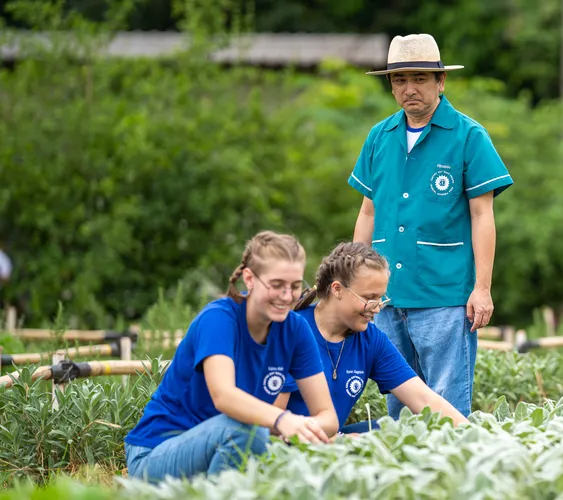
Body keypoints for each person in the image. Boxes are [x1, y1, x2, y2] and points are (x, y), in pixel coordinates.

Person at [349, 33, 513, 419]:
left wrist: (483, 288)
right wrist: (356, 280)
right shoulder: (379, 137)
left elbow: (482, 215)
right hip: (387, 296)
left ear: (441, 82)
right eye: (400, 80)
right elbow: (367, 214)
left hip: (445, 296)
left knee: (447, 408)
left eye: (420, 78)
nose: (410, 89)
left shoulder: (468, 136)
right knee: (398, 406)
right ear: (391, 86)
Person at [124, 231, 340, 483]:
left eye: (294, 286)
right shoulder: (219, 318)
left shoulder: (296, 329)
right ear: (249, 278)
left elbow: (328, 417)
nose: (287, 296)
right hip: (155, 454)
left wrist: (303, 429)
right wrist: (283, 420)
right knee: (247, 432)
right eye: (277, 285)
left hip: (224, 447)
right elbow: (223, 396)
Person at [276, 242, 469, 433]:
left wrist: (479, 437)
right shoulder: (292, 330)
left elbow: (423, 399)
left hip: (332, 437)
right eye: (370, 297)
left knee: (400, 429)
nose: (376, 308)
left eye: (380, 299)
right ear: (337, 289)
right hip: (286, 442)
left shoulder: (370, 339)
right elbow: (274, 422)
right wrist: (338, 442)